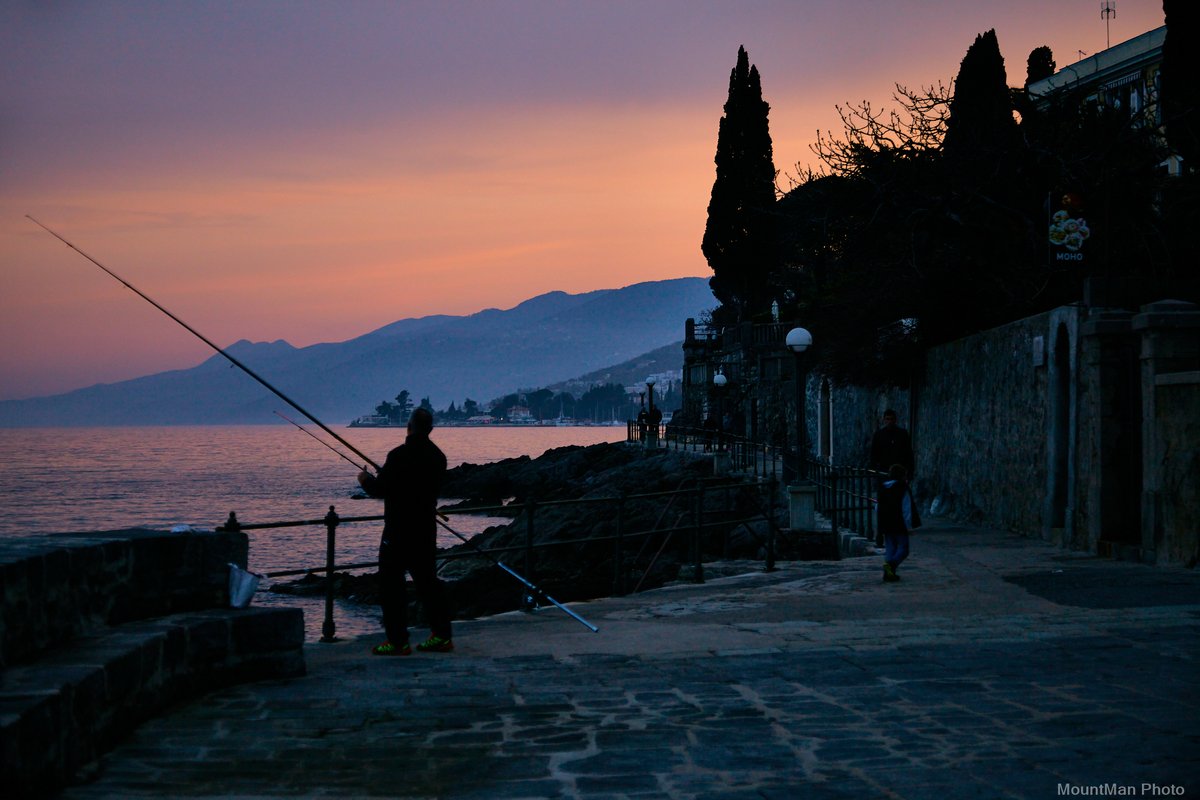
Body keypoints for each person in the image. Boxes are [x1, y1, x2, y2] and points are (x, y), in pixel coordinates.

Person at [357, 407, 453, 655]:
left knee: (391, 586)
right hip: (425, 529)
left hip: (398, 530)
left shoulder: (398, 455)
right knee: (428, 583)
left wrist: (365, 480)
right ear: (430, 429)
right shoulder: (438, 457)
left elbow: (381, 489)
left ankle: (398, 641)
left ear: (408, 426)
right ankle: (442, 636)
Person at [877, 464, 914, 582]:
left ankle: (889, 573)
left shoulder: (883, 487)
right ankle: (891, 566)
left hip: (885, 522)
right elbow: (906, 508)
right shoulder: (902, 487)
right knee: (903, 548)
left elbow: (877, 507)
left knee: (890, 548)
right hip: (898, 522)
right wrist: (908, 525)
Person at [869, 409, 914, 479]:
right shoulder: (878, 435)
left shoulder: (902, 434)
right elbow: (874, 453)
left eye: (891, 419)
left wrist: (910, 470)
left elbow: (908, 453)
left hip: (899, 471)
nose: (889, 421)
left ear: (895, 420)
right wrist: (875, 470)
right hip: (884, 471)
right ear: (884, 420)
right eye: (887, 419)